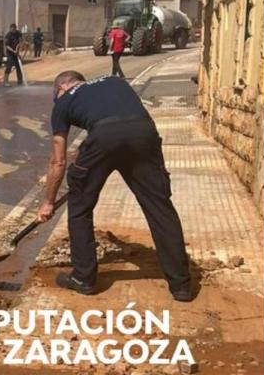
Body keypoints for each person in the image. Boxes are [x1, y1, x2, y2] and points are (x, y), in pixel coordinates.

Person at [38, 71, 192, 301]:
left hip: (104, 137)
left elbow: (58, 160)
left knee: (79, 206)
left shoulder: (64, 101)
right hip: (144, 133)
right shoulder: (114, 81)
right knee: (159, 206)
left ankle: (83, 278)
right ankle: (181, 285)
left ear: (61, 87)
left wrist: (48, 202)